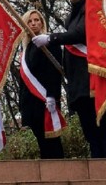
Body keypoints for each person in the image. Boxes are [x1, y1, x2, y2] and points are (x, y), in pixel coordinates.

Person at [32, 0, 106, 158]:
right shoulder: (71, 17)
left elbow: (81, 33)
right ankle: (98, 164)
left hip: (93, 79)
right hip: (77, 83)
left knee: (103, 127)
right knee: (90, 131)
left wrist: (51, 38)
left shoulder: (92, 9)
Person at [18, 9, 65, 159]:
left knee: (52, 141)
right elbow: (23, 82)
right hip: (31, 103)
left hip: (45, 99)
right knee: (42, 143)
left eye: (37, 20)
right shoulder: (25, 49)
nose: (33, 23)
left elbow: (54, 72)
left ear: (42, 22)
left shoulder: (48, 43)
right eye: (30, 21)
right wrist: (23, 111)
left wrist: (52, 95)